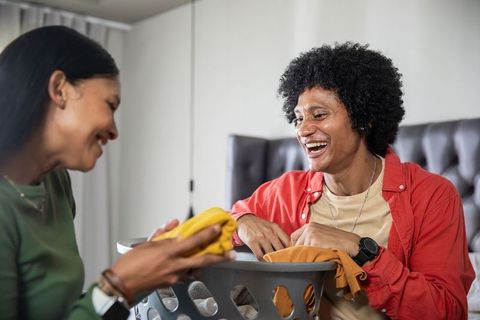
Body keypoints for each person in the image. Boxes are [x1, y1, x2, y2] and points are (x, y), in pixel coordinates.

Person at [0, 26, 232, 320]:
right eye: (110, 105)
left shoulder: (56, 184)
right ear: (59, 89)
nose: (114, 130)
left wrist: (145, 271)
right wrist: (118, 285)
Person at [230, 42, 474, 319]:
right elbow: (207, 234)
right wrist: (242, 222)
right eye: (298, 118)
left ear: (364, 118)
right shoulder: (285, 191)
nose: (304, 130)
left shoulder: (431, 195)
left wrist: (359, 250)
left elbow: (446, 311)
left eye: (319, 115)